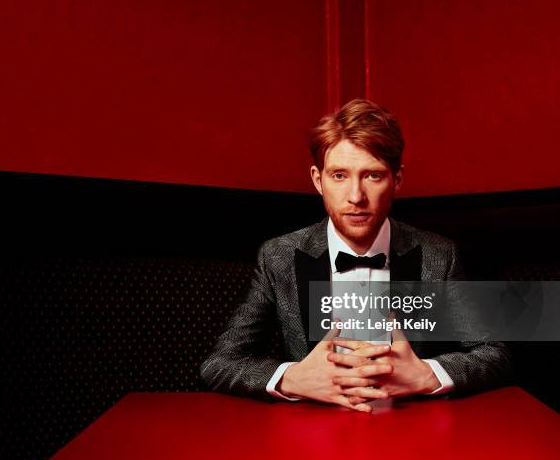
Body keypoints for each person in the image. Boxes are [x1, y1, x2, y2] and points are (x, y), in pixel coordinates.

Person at [200, 99, 511, 412]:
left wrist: (426, 375)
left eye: (372, 176)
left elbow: (493, 353)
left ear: (397, 179)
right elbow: (220, 363)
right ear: (317, 180)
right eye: (339, 176)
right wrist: (292, 379)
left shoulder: (439, 256)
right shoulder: (278, 256)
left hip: (410, 432)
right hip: (313, 439)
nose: (355, 197)